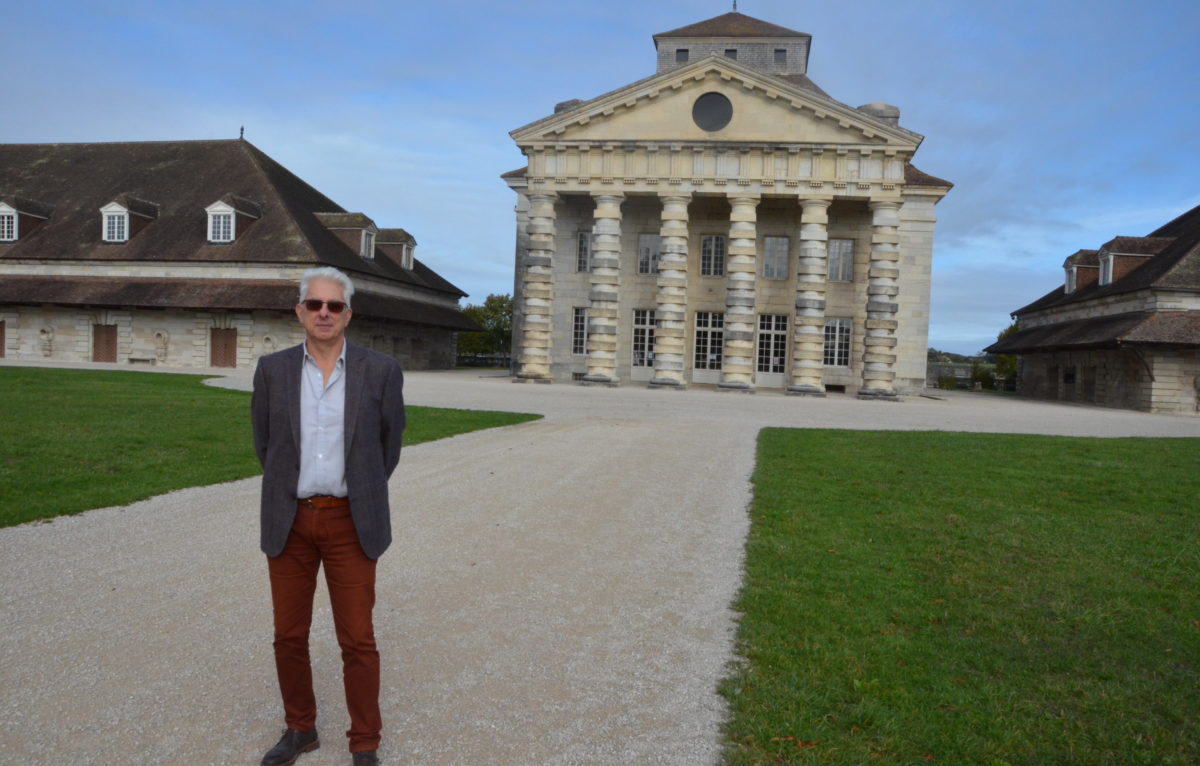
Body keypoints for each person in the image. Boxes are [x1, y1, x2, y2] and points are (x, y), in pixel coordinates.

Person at [251, 266, 405, 766]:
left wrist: (356, 491)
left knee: (358, 638)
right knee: (288, 635)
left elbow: (388, 448)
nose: (323, 313)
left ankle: (365, 742)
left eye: (333, 306)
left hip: (350, 521)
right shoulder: (272, 370)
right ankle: (301, 728)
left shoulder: (380, 370)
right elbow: (266, 446)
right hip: (290, 520)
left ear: (347, 315)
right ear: (299, 311)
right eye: (314, 304)